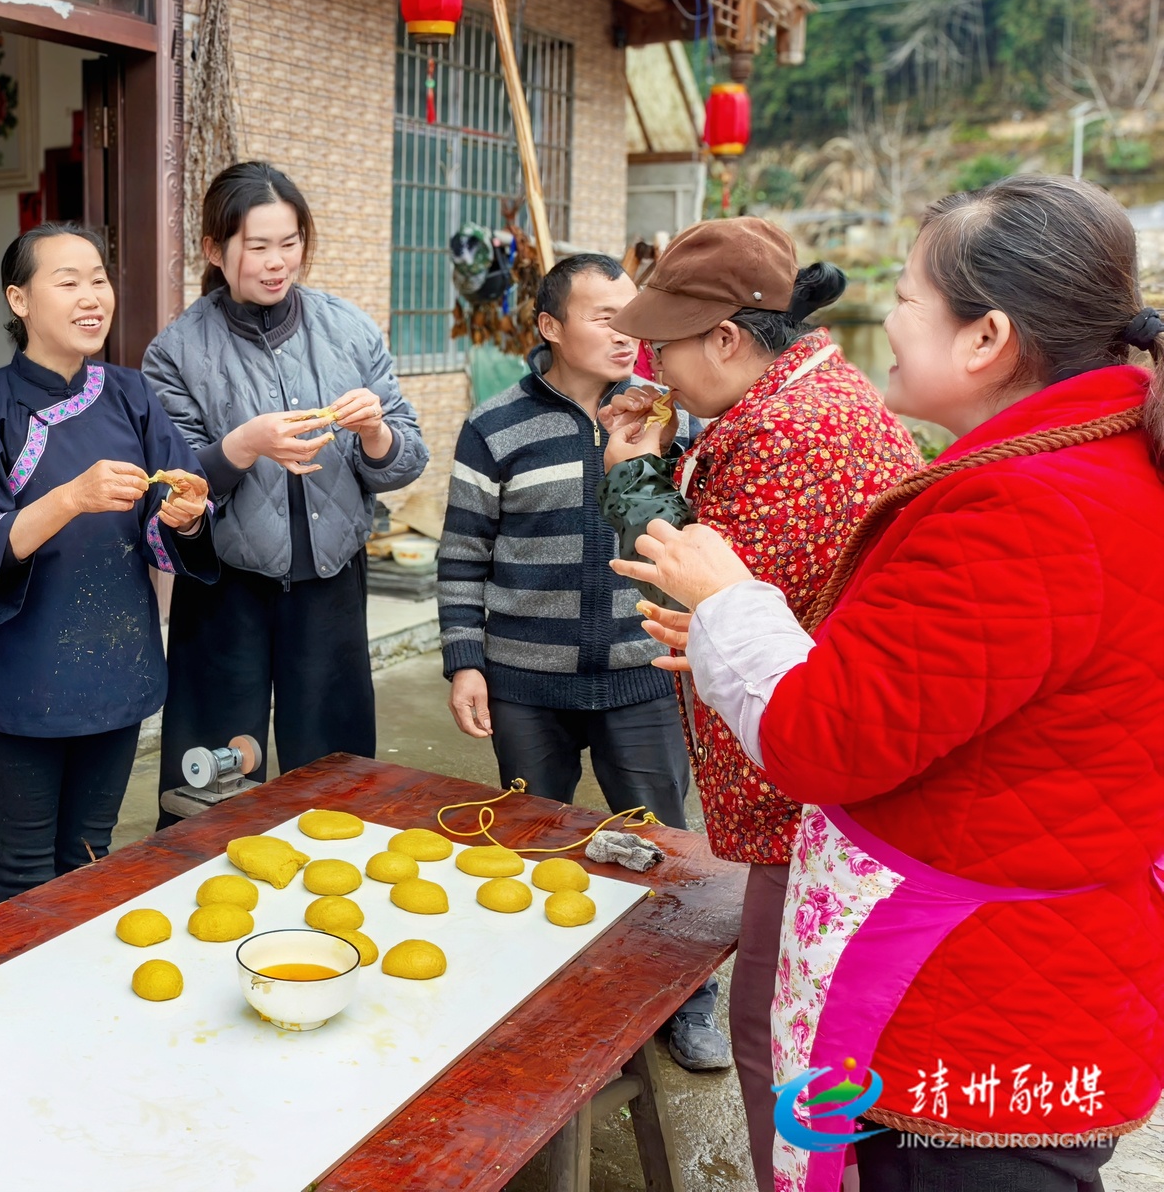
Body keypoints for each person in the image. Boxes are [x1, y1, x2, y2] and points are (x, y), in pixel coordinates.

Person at [618, 174, 1164, 1192]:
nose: (888, 323)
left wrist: (730, 602)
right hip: (1044, 950)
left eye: (908, 298)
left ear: (986, 337)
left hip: (972, 998)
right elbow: (940, 675)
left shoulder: (1023, 506)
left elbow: (826, 738)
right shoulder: (1101, 458)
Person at [596, 217, 919, 1191]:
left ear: (728, 339)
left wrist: (633, 473)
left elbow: (690, 584)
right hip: (828, 772)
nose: (655, 369)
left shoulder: (787, 434)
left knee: (778, 1035)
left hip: (808, 788)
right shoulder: (804, 396)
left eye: (665, 349)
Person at [437, 251, 725, 1069]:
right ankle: (531, 989)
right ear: (550, 327)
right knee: (531, 845)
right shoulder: (496, 426)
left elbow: (702, 539)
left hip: (642, 674)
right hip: (527, 683)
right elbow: (462, 554)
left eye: (631, 315)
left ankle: (687, 1002)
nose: (626, 332)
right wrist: (466, 660)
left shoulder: (673, 418)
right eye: (604, 316)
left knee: (666, 847)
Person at [0, 222, 216, 907]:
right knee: (21, 877)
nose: (92, 297)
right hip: (24, 678)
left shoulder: (132, 395)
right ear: (19, 300)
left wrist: (187, 513)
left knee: (90, 861)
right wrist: (68, 499)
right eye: (69, 282)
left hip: (117, 668)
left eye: (99, 280)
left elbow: (174, 505)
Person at [141, 162, 427, 820]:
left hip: (331, 580)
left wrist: (376, 432)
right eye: (258, 245)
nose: (278, 262)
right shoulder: (176, 351)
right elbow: (170, 483)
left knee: (337, 774)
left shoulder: (349, 329)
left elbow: (407, 457)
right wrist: (243, 445)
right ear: (215, 250)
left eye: (290, 242)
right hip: (224, 588)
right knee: (210, 776)